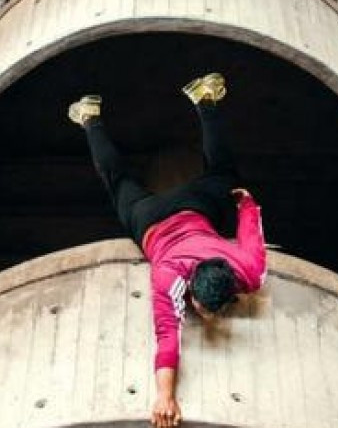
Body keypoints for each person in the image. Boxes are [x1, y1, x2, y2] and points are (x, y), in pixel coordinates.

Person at [67, 72, 267, 428]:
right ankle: (88, 117)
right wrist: (164, 395)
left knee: (226, 173)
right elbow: (167, 337)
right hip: (152, 222)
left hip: (192, 208)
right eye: (201, 308)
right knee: (119, 183)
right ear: (192, 286)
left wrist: (246, 202)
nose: (199, 313)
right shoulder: (169, 277)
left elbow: (251, 235)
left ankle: (205, 99)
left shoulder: (249, 272)